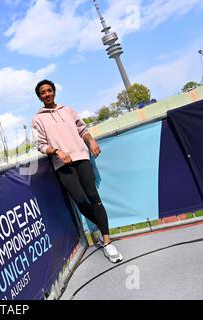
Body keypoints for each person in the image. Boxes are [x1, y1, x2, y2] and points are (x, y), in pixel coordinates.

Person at [31, 79, 123, 263]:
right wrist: (56, 151)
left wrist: (91, 141)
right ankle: (102, 226)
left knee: (93, 195)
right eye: (43, 92)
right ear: (39, 97)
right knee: (81, 200)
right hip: (62, 163)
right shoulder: (37, 119)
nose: (47, 94)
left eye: (49, 90)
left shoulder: (68, 110)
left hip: (82, 157)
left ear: (54, 91)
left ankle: (106, 240)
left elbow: (83, 129)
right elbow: (40, 144)